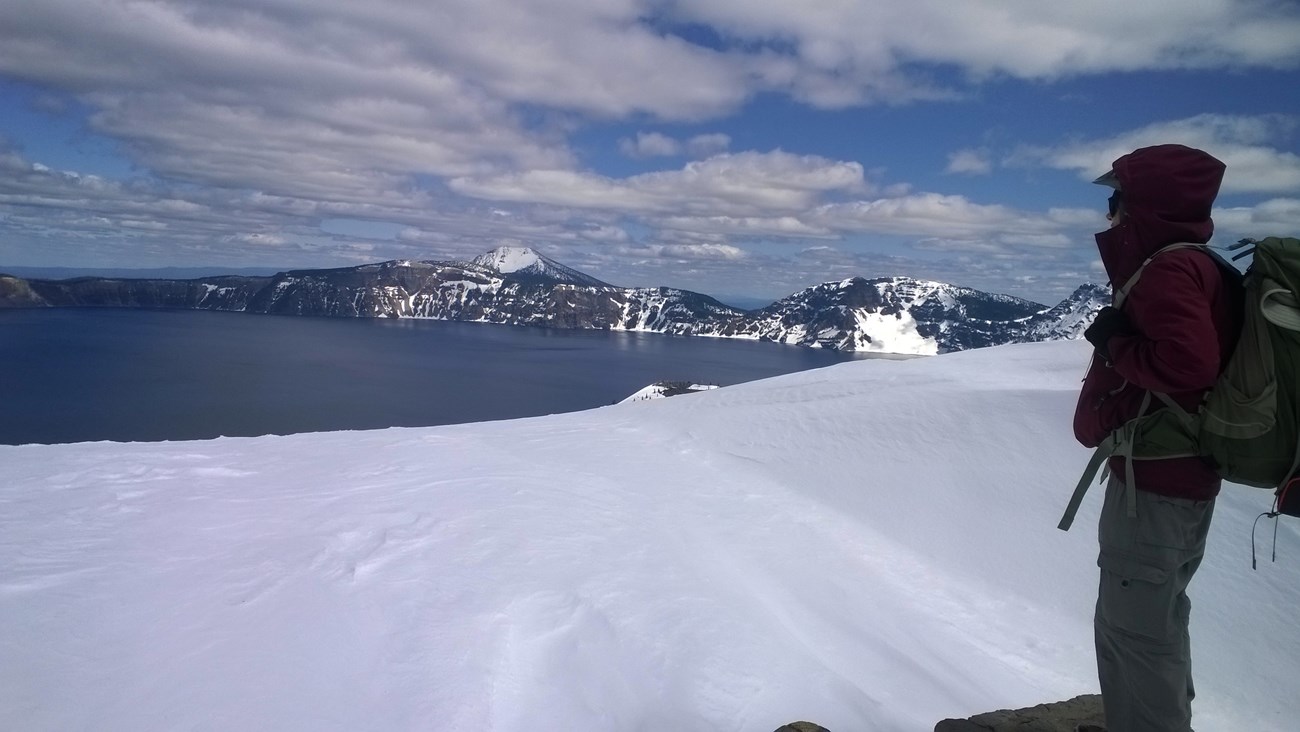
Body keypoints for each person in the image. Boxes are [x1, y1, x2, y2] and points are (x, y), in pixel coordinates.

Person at [1072, 144, 1239, 732]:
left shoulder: (1168, 268)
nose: (1110, 216)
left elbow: (1188, 364)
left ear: (1141, 206)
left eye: (1117, 201)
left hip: (1157, 486)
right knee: (1153, 621)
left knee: (1136, 632)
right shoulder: (1195, 264)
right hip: (1175, 480)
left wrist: (1115, 344)